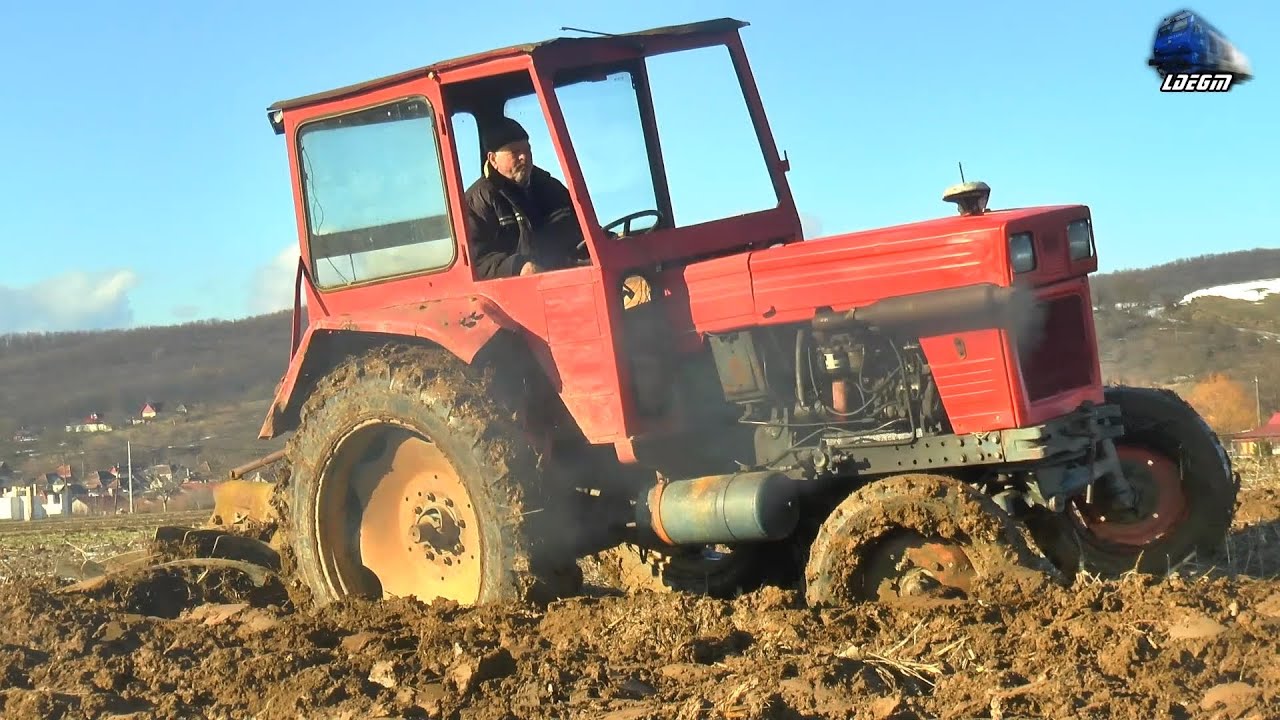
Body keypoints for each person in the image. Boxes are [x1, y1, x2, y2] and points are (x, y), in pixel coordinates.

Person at [463, 117, 584, 279]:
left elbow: (581, 231)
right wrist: (517, 267)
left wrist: (611, 240)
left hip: (568, 279)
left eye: (527, 150)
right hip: (518, 293)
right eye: (515, 152)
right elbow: (477, 261)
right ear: (493, 159)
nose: (524, 157)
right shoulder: (477, 202)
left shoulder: (552, 188)